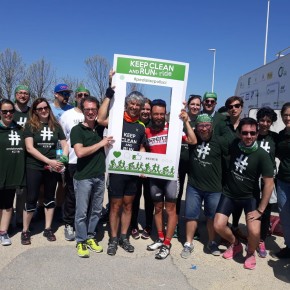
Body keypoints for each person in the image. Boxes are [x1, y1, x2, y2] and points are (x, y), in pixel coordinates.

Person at [214, 117, 274, 270]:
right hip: (229, 193)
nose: (249, 136)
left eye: (252, 133)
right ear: (239, 133)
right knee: (218, 225)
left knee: (254, 232)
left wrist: (261, 209)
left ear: (257, 133)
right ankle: (235, 244)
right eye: (245, 133)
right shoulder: (234, 144)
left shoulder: (262, 154)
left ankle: (250, 253)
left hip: (249, 197)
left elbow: (269, 183)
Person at [146, 99, 197, 260]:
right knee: (158, 208)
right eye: (156, 114)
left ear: (166, 113)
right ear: (152, 114)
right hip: (154, 175)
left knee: (171, 210)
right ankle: (160, 238)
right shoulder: (146, 130)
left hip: (170, 176)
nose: (159, 117)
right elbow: (142, 148)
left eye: (162, 114)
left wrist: (186, 121)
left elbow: (193, 140)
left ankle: (167, 243)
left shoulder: (173, 129)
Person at [98, 88, 146, 256]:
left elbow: (141, 146)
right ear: (127, 104)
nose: (134, 107)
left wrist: (143, 164)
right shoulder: (116, 120)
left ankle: (123, 237)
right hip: (116, 172)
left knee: (128, 205)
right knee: (115, 206)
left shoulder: (141, 126)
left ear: (141, 108)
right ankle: (113, 238)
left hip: (132, 173)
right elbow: (100, 118)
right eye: (131, 103)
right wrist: (109, 94)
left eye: (137, 105)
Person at [21, 98, 68, 245]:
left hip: (53, 167)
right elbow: (30, 148)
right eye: (39, 108)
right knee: (32, 198)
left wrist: (62, 160)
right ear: (35, 111)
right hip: (34, 166)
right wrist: (49, 161)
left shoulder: (56, 125)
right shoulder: (30, 126)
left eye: (45, 107)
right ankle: (25, 230)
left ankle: (48, 228)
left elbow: (64, 144)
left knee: (50, 197)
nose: (43, 110)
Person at [180, 114, 228, 259]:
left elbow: (228, 161)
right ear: (197, 127)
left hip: (214, 188)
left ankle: (212, 242)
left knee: (211, 217)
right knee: (191, 216)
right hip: (194, 186)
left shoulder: (220, 141)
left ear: (212, 126)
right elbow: (185, 133)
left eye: (207, 125)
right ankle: (188, 243)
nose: (204, 129)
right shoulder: (193, 138)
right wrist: (185, 118)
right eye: (201, 125)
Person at [70, 96, 112, 258]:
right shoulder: (77, 130)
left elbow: (111, 117)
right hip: (83, 178)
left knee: (95, 211)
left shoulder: (102, 128)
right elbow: (80, 152)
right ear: (83, 110)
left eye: (93, 109)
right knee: (81, 212)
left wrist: (110, 90)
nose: (90, 112)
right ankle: (81, 240)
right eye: (87, 109)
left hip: (99, 176)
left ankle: (90, 236)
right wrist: (100, 144)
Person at [59, 86, 90, 241]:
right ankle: (69, 224)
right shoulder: (66, 115)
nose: (83, 97)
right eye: (80, 95)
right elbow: (61, 139)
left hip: (90, 162)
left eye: (86, 94)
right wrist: (61, 158)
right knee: (72, 194)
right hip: (72, 161)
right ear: (76, 97)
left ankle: (85, 224)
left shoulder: (93, 114)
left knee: (88, 196)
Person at [219, 96, 247, 242]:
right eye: (230, 107)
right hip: (223, 169)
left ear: (241, 107)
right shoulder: (222, 125)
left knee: (238, 201)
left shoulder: (246, 126)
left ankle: (235, 226)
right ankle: (225, 227)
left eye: (236, 106)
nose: (234, 109)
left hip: (240, 169)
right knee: (225, 200)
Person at [0, 99, 26, 245]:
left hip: (12, 173)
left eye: (11, 111)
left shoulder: (20, 129)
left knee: (8, 204)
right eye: (5, 111)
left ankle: (3, 232)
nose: (8, 114)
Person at [176, 94, 201, 239]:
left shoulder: (202, 121)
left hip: (194, 164)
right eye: (193, 104)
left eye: (198, 105)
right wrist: (182, 108)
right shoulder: (180, 118)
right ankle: (176, 225)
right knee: (177, 195)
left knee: (193, 197)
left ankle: (193, 228)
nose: (195, 107)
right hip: (179, 162)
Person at [255, 107, 278, 258]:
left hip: (268, 179)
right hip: (252, 177)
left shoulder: (275, 138)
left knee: (266, 210)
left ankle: (261, 239)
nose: (265, 123)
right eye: (262, 120)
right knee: (252, 207)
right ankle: (252, 234)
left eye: (268, 121)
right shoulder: (251, 134)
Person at [131, 98, 154, 240]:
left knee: (149, 198)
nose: (145, 111)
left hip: (150, 168)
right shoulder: (134, 124)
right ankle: (133, 225)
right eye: (143, 109)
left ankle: (148, 225)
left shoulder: (154, 125)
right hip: (135, 167)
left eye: (148, 109)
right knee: (134, 197)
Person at [13, 85, 31, 227]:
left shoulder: (32, 113)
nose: (23, 96)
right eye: (20, 93)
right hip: (8, 153)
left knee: (22, 190)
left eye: (26, 93)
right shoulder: (7, 110)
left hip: (25, 155)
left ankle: (19, 218)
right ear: (15, 94)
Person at [274, 102, 290, 258]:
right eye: (285, 115)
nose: (288, 118)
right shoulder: (280, 135)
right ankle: (289, 246)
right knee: (284, 215)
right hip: (283, 180)